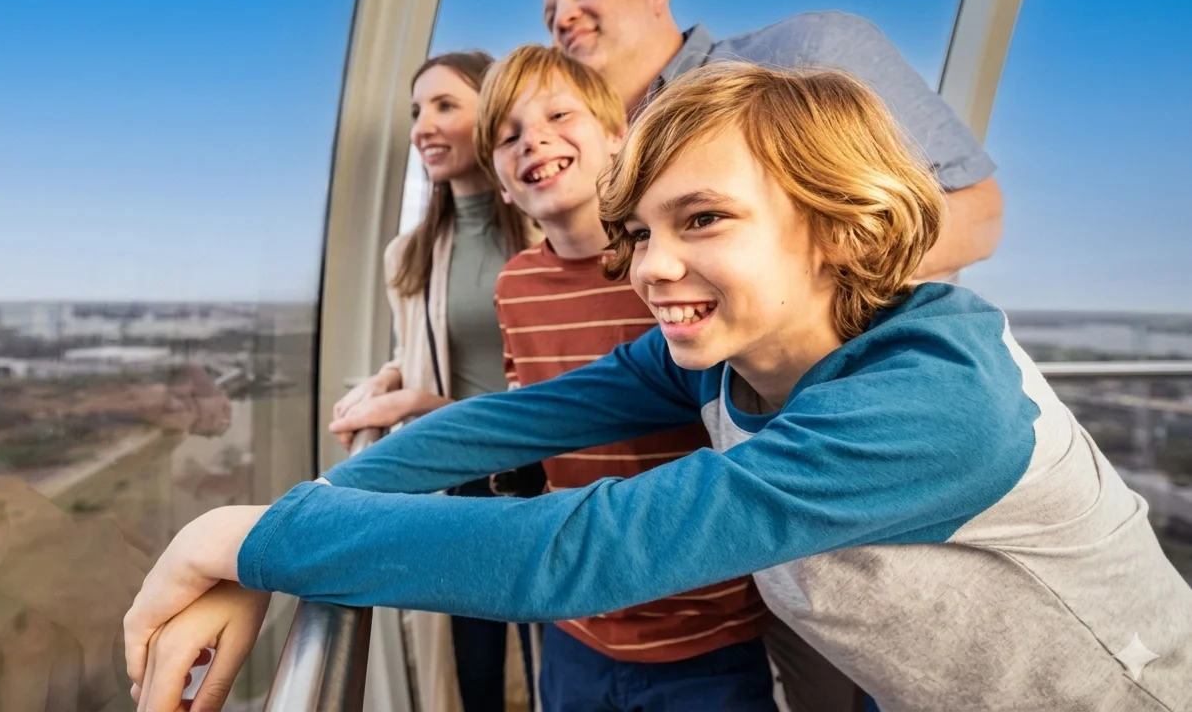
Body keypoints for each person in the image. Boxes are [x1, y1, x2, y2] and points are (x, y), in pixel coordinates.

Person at [124, 63, 1192, 711]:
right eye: (642, 229)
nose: (649, 267)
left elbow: (572, 551)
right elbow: (502, 422)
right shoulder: (726, 349)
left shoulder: (929, 402)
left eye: (703, 219)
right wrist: (292, 524)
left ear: (840, 229)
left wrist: (229, 536)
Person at [480, 44, 775, 710]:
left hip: (703, 623)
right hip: (576, 615)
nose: (536, 141)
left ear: (619, 140)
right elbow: (528, 409)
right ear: (499, 181)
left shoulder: (673, 274)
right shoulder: (515, 285)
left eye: (559, 114)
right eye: (508, 136)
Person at [542, 0, 1002, 286]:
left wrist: (798, 290)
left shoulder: (807, 52)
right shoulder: (597, 152)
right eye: (549, 15)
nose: (563, 17)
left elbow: (978, 215)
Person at [324, 49, 541, 712]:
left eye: (446, 105)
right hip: (460, 487)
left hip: (542, 481)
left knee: (548, 670)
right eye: (417, 110)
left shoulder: (549, 231)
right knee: (472, 673)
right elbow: (422, 347)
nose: (422, 125)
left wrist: (428, 404)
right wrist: (384, 384)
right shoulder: (409, 253)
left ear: (495, 113)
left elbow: (573, 375)